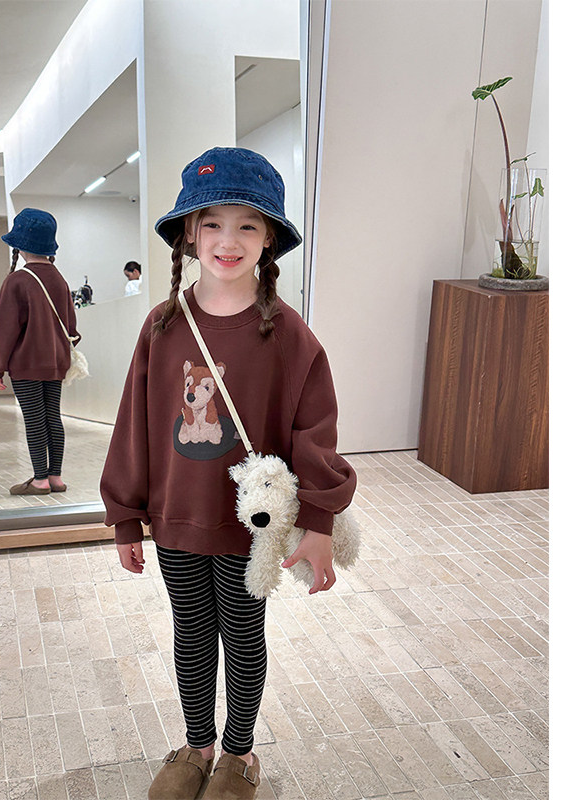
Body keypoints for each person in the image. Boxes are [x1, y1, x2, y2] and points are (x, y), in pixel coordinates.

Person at [100, 147, 356, 800]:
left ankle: (239, 756)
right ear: (189, 233)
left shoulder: (290, 335)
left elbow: (315, 431)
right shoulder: (162, 327)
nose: (227, 240)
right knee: (190, 635)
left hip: (250, 530)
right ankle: (196, 746)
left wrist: (320, 522)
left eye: (247, 225)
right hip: (176, 520)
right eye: (211, 223)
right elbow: (134, 425)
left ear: (269, 238)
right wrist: (126, 514)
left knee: (242, 638)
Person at [0, 208, 81, 496]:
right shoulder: (60, 280)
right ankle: (56, 478)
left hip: (26, 364)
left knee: (34, 420)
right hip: (55, 364)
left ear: (20, 245)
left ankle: (39, 480)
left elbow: (6, 328)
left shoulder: (17, 280)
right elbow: (71, 327)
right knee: (53, 417)